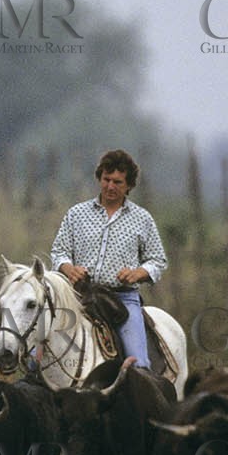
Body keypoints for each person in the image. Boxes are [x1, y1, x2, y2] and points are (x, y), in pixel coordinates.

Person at [48, 149, 168, 369]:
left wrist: (136, 273)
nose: (110, 186)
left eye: (118, 182)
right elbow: (59, 252)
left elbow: (157, 261)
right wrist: (68, 268)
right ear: (99, 178)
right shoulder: (77, 214)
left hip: (122, 300)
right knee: (38, 355)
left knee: (139, 364)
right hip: (78, 296)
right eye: (106, 179)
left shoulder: (142, 219)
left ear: (129, 185)